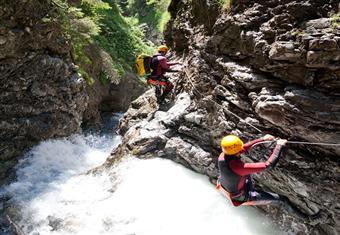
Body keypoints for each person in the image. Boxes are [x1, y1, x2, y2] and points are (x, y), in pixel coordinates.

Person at [217, 134, 287, 206]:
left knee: (246, 175)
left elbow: (242, 148)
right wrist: (279, 145)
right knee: (282, 199)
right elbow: (268, 165)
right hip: (239, 196)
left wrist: (262, 139)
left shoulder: (223, 155)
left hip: (225, 185)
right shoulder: (238, 168)